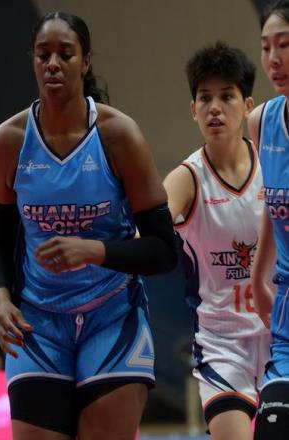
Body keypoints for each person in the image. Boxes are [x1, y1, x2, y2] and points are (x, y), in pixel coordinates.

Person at [0, 11, 177, 440]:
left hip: (111, 314)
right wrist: (0, 298)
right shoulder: (6, 142)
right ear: (33, 61)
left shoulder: (119, 135)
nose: (53, 64)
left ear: (85, 61)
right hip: (37, 320)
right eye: (43, 55)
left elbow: (165, 250)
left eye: (65, 54)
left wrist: (93, 250)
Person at [164, 42, 270, 440]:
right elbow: (148, 232)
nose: (215, 108)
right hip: (222, 344)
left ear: (247, 105)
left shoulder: (273, 164)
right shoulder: (186, 179)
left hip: (279, 332)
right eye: (205, 98)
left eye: (227, 96)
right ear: (193, 109)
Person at [248, 2, 289, 438]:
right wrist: (259, 274)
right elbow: (271, 203)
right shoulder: (262, 122)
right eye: (266, 47)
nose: (274, 58)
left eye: (285, 45)